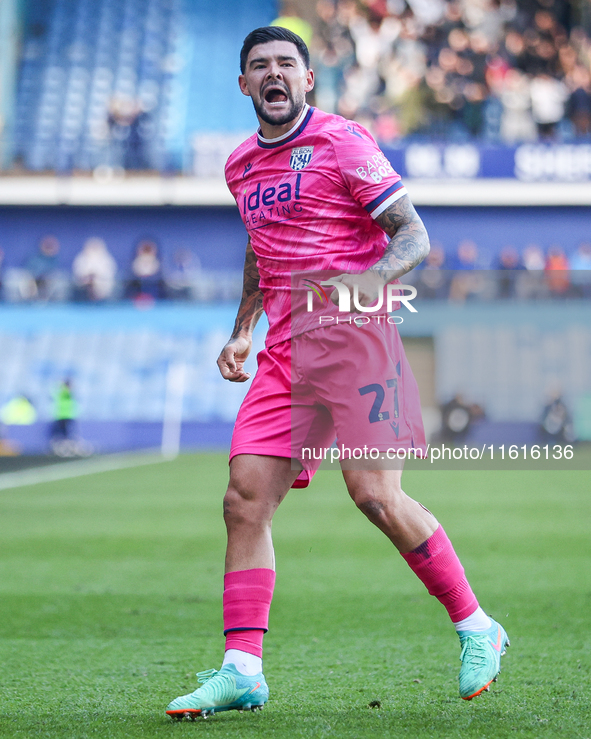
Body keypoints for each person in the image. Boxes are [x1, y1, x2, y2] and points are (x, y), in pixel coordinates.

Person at [166, 27, 509, 720]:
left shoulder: (343, 142)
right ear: (243, 85)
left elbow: (412, 236)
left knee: (375, 496)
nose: (274, 74)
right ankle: (242, 668)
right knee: (244, 499)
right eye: (259, 66)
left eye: (286, 64)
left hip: (355, 340)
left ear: (308, 78)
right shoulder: (240, 166)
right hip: (286, 353)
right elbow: (260, 250)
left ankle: (477, 626)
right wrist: (242, 328)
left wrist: (360, 283)